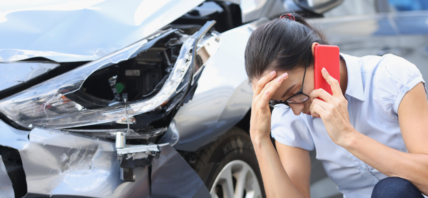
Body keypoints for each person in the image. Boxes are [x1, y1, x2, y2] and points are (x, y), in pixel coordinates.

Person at [245, 13, 428, 198]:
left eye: (294, 93)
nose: (296, 109)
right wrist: (260, 140)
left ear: (319, 57)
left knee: (393, 190)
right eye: (283, 102)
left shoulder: (390, 76)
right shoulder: (288, 112)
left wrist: (348, 137)